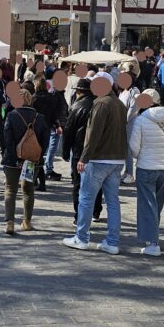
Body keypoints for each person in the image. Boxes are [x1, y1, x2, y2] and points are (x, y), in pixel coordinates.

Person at [63, 74, 127, 254]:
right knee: (113, 202)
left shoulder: (101, 104)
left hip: (98, 158)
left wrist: (84, 157)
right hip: (116, 158)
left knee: (86, 199)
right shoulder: (119, 104)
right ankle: (112, 241)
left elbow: (93, 134)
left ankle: (81, 237)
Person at [128, 89, 164, 256]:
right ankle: (153, 236)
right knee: (157, 205)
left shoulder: (140, 120)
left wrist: (141, 156)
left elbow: (133, 148)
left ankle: (153, 242)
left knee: (147, 205)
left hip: (146, 167)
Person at [2, 88, 49, 235]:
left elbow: (7, 141)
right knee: (28, 190)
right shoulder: (40, 117)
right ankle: (27, 222)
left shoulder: (12, 116)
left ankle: (10, 223)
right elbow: (45, 142)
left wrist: (14, 159)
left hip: (12, 160)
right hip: (32, 160)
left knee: (11, 189)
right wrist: (38, 157)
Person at [62, 78, 103, 223]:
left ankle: (79, 215)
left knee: (79, 184)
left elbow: (68, 130)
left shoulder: (77, 106)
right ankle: (96, 211)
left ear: (79, 92)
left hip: (80, 149)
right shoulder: (100, 104)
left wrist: (65, 151)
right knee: (97, 182)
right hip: (98, 149)